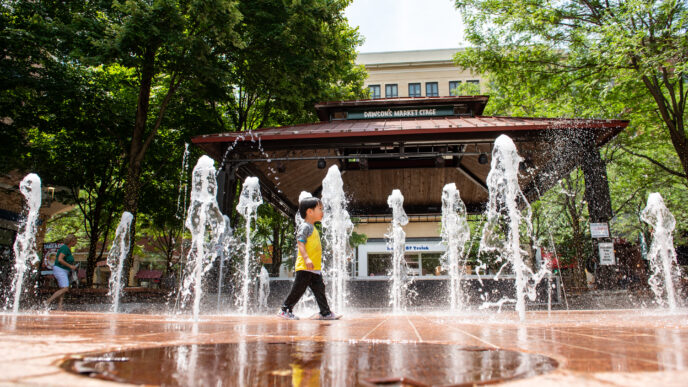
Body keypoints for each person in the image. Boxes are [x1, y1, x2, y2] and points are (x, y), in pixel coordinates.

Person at [278, 197, 340, 320]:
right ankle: (285, 309)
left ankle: (325, 312)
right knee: (298, 290)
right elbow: (300, 242)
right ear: (309, 212)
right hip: (305, 267)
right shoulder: (305, 226)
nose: (322, 212)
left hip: (314, 268)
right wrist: (306, 258)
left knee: (320, 290)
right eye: (320, 209)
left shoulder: (313, 228)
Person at [44, 234, 78, 310]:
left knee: (62, 288)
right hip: (60, 270)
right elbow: (60, 259)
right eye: (75, 241)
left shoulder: (67, 249)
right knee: (65, 288)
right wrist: (70, 266)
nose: (76, 243)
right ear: (71, 241)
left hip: (63, 270)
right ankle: (48, 301)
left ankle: (60, 306)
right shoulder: (65, 248)